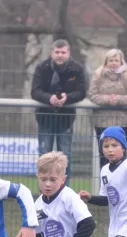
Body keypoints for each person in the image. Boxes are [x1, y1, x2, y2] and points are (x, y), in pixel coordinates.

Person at [31, 39, 86, 183]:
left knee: (65, 155)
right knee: (44, 156)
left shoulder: (77, 69)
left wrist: (67, 98)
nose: (60, 55)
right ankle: (45, 191)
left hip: (66, 119)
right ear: (51, 53)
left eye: (63, 52)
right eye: (57, 52)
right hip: (45, 118)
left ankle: (63, 190)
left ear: (68, 53)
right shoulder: (42, 68)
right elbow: (35, 91)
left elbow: (81, 92)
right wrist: (49, 99)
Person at [88, 48, 127, 167]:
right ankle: (105, 184)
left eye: (116, 60)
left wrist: (118, 100)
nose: (114, 63)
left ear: (121, 62)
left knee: (121, 156)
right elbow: (92, 94)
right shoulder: (98, 75)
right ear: (106, 62)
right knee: (104, 156)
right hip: (103, 122)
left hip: (124, 122)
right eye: (111, 60)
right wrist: (107, 100)